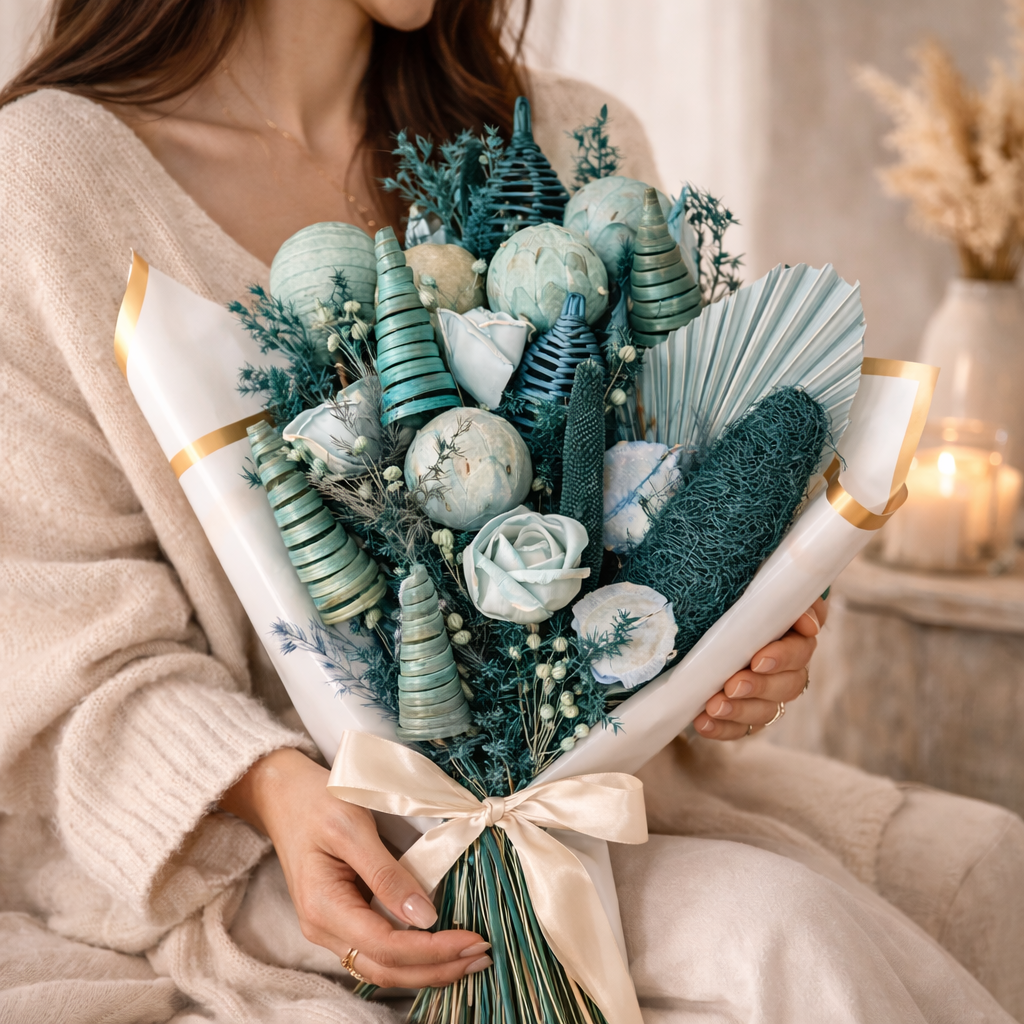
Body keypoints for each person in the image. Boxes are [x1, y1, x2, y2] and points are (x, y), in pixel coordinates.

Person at [0, 1, 1016, 1021]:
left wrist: (742, 649)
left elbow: (664, 505)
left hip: (608, 817)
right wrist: (272, 787)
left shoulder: (579, 142)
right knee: (786, 927)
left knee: (989, 870)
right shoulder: (47, 183)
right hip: (276, 857)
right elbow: (51, 630)